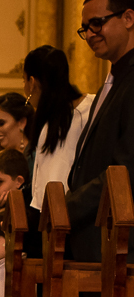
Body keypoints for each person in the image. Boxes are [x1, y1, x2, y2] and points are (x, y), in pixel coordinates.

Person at [66, 0, 134, 263]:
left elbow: (126, 170)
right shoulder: (112, 80)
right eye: (85, 28)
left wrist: (65, 206)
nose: (90, 34)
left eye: (97, 23)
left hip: (117, 243)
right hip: (94, 242)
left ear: (128, 18)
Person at [23, 45, 94, 212]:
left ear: (32, 82)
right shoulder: (95, 104)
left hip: (65, 217)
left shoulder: (52, 127)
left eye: (23, 80)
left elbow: (47, 194)